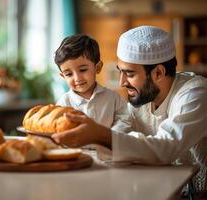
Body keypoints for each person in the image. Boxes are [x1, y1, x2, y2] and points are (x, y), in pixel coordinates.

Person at [52, 26, 207, 193]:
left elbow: (166, 147)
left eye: (130, 74)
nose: (121, 82)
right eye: (121, 72)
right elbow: (126, 135)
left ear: (159, 72)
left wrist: (100, 134)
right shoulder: (142, 98)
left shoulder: (195, 94)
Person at [54, 34, 129, 131]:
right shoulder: (63, 102)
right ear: (63, 76)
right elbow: (59, 128)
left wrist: (109, 135)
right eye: (69, 74)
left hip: (107, 145)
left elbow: (125, 120)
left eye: (83, 70)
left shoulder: (113, 98)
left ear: (97, 67)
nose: (77, 78)